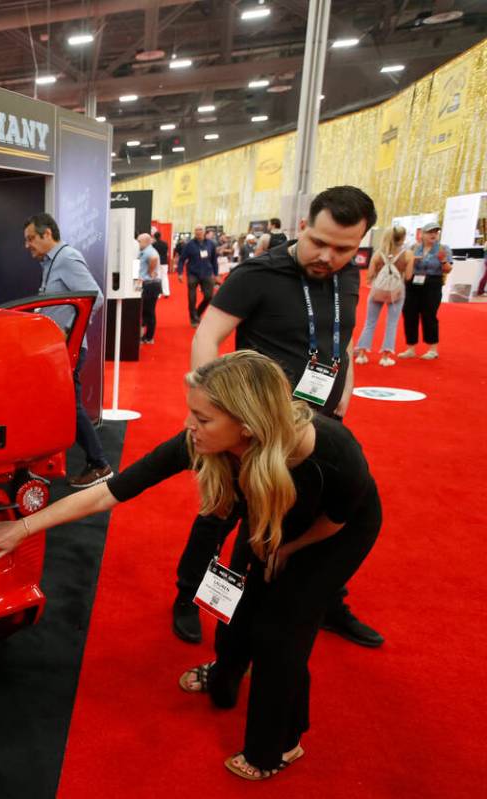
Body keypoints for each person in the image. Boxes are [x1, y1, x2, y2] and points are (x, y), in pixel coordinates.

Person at [0, 351, 382, 781]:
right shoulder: (209, 443)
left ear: (246, 424)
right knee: (237, 602)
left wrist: (289, 549)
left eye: (202, 418)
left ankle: (277, 745)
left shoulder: (332, 450)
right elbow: (111, 493)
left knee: (281, 633)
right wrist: (22, 528)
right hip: (271, 520)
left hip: (330, 534)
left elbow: (339, 519)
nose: (189, 426)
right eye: (192, 413)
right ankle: (226, 673)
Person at [173, 185, 383, 649]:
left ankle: (327, 603)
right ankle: (188, 595)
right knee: (222, 514)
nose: (327, 256)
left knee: (309, 519)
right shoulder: (257, 274)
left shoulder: (345, 277)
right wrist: (210, 405)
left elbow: (342, 342)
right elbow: (207, 336)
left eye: (343, 248)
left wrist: (344, 394)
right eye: (319, 241)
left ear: (360, 243)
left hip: (316, 430)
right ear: (303, 226)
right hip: (250, 430)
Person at [23, 213, 114, 489]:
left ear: (47, 234)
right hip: (54, 350)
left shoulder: (66, 258)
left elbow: (94, 297)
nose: (27, 245)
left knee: (70, 407)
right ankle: (47, 462)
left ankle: (99, 464)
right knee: (55, 406)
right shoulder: (52, 262)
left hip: (67, 350)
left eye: (30, 239)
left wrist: (70, 331)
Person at [354, 225, 413, 367]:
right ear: (403, 237)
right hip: (397, 292)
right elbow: (409, 276)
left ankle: (362, 354)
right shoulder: (408, 255)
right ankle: (385, 357)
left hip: (377, 290)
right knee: (392, 323)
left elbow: (369, 276)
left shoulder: (378, 254)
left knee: (370, 322)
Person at [399, 221, 451, 360]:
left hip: (433, 283)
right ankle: (410, 348)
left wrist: (443, 260)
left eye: (436, 232)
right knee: (409, 314)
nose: (433, 234)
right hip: (412, 283)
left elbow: (448, 269)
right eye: (430, 232)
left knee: (429, 315)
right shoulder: (414, 247)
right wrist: (412, 260)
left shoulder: (443, 248)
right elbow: (403, 263)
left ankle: (432, 349)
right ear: (422, 234)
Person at [177, 225, 218, 327]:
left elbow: (214, 260)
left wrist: (216, 274)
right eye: (196, 230)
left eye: (200, 230)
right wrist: (180, 272)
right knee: (192, 298)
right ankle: (193, 319)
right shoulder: (189, 245)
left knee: (209, 296)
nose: (198, 231)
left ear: (204, 232)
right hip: (192, 274)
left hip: (207, 273)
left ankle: (197, 313)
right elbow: (182, 259)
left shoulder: (211, 244)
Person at [137, 233, 162, 344]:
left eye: (139, 241)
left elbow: (154, 258)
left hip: (150, 284)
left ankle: (149, 337)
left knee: (149, 312)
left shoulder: (150, 251)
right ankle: (145, 336)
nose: (138, 243)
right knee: (145, 311)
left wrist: (150, 272)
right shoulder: (144, 251)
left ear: (146, 241)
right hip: (146, 283)